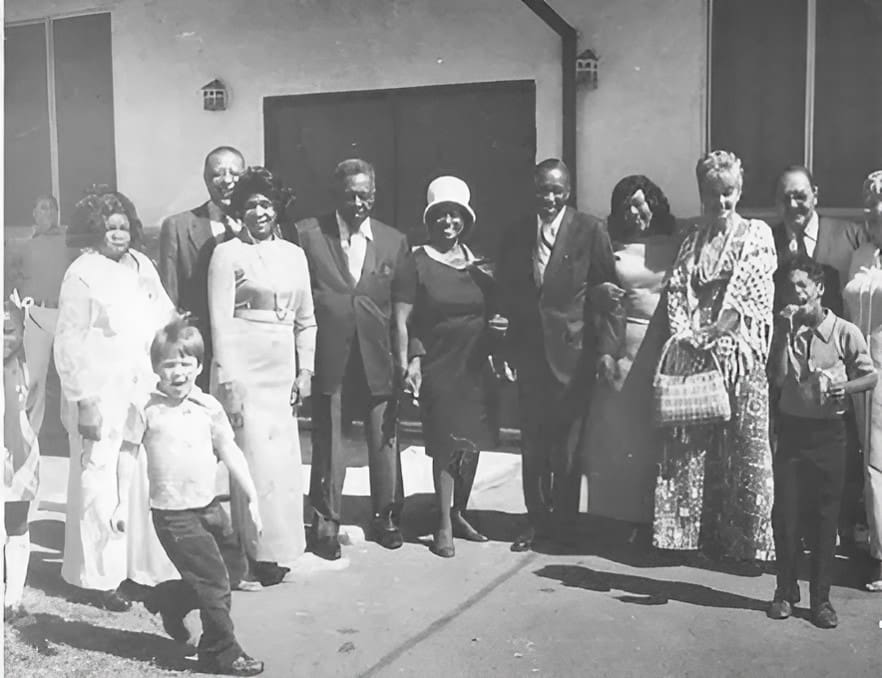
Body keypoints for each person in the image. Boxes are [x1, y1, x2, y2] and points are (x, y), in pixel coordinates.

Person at [112, 318, 265, 676]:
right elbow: (126, 453)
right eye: (169, 364)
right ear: (156, 368)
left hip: (208, 507)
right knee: (213, 582)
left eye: (186, 363)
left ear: (198, 365)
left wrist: (252, 496)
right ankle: (221, 651)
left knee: (231, 570)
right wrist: (120, 501)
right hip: (173, 515)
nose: (178, 372)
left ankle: (171, 598)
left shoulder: (208, 406)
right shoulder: (146, 407)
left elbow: (229, 450)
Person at [54, 189, 179, 610]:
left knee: (136, 480)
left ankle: (137, 570)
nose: (118, 234)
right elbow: (68, 342)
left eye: (124, 226)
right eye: (109, 227)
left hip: (140, 388)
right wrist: (83, 399)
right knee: (98, 481)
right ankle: (95, 578)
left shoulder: (143, 265)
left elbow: (165, 315)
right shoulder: (83, 272)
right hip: (99, 393)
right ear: (94, 231)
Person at [653, 150, 777, 565]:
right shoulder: (692, 236)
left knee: (742, 450)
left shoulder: (756, 234)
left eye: (728, 194)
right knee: (693, 449)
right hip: (695, 355)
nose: (720, 203)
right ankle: (694, 542)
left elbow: (754, 297)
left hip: (738, 355)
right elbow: (676, 290)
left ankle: (748, 546)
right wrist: (687, 337)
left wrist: (721, 335)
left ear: (739, 191)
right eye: (712, 194)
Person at [497, 158, 621, 552]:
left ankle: (564, 524)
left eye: (556, 190)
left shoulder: (590, 229)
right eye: (542, 190)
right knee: (533, 445)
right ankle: (537, 522)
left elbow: (608, 295)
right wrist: (506, 348)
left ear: (568, 191)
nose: (548, 198)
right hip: (531, 355)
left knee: (567, 448)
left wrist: (606, 350)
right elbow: (510, 294)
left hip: (574, 354)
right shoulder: (517, 233)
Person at [295, 158, 416, 560]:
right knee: (329, 441)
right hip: (331, 354)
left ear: (375, 196)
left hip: (377, 356)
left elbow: (404, 304)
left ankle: (387, 517)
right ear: (337, 196)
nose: (358, 202)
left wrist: (405, 359)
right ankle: (326, 523)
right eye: (350, 195)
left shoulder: (393, 241)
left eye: (365, 195)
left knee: (384, 440)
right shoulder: (308, 235)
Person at [208, 167, 316, 586]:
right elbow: (220, 323)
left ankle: (275, 551)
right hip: (245, 368)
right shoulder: (227, 254)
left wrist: (305, 369)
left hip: (282, 370)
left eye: (266, 204)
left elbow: (307, 320)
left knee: (282, 465)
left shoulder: (294, 254)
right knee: (249, 463)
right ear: (240, 210)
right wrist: (229, 381)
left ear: (278, 208)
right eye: (250, 204)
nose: (258, 212)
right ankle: (246, 558)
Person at [767, 255, 876, 628]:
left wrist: (845, 387)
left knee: (826, 519)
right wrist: (782, 335)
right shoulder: (786, 330)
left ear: (819, 289)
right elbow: (777, 379)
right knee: (786, 515)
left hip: (831, 436)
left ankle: (821, 601)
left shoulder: (845, 332)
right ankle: (785, 591)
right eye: (789, 287)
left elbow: (870, 376)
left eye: (801, 286)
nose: (795, 294)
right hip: (794, 433)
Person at [404, 176, 503, 558]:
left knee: (471, 442)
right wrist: (413, 357)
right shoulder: (416, 260)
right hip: (440, 361)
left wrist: (500, 331)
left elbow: (494, 308)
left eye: (456, 215)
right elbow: (407, 316)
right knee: (446, 442)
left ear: (466, 219)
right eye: (441, 215)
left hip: (476, 361)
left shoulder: (478, 264)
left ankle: (459, 512)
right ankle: (442, 524)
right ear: (431, 219)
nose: (449, 222)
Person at [581, 175, 680, 525]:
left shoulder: (675, 243)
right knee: (620, 434)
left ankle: (653, 523)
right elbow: (590, 289)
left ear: (654, 204)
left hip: (665, 347)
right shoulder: (609, 246)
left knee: (657, 438)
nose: (635, 212)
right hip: (625, 344)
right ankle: (614, 519)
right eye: (626, 206)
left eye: (641, 203)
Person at [159, 146, 245, 391]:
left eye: (234, 173)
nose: (227, 181)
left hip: (247, 341)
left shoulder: (259, 227)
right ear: (206, 178)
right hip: (199, 342)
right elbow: (169, 295)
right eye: (218, 174)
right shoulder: (178, 226)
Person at [842, 169, 882, 592]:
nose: (870, 208)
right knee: (868, 461)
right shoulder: (862, 254)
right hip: (863, 370)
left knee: (879, 461)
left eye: (878, 200)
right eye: (868, 200)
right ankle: (874, 542)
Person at [5, 195, 72, 437]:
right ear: (34, 213)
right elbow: (11, 282)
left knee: (69, 378)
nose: (50, 213)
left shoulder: (69, 243)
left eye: (54, 208)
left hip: (66, 316)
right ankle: (28, 440)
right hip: (35, 314)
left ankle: (73, 437)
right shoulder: (22, 245)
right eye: (44, 208)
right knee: (34, 380)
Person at [771, 165, 868, 313]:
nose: (792, 205)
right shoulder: (768, 242)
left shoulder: (852, 236)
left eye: (800, 196)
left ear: (815, 195)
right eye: (785, 198)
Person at [3, 293, 40, 620]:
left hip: (18, 457)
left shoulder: (24, 367)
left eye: (9, 330)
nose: (3, 338)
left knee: (16, 524)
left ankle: (12, 597)